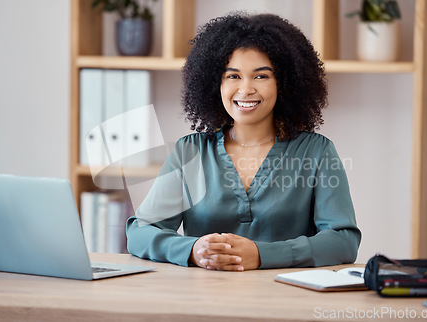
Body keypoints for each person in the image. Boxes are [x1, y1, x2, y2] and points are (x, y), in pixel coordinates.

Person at [126, 13, 361, 271]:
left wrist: (263, 255)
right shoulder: (190, 151)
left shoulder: (316, 152)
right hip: (201, 299)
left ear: (284, 84)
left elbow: (343, 241)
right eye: (233, 76)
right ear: (215, 82)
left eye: (261, 76)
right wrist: (192, 250)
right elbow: (140, 232)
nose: (245, 89)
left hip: (288, 298)